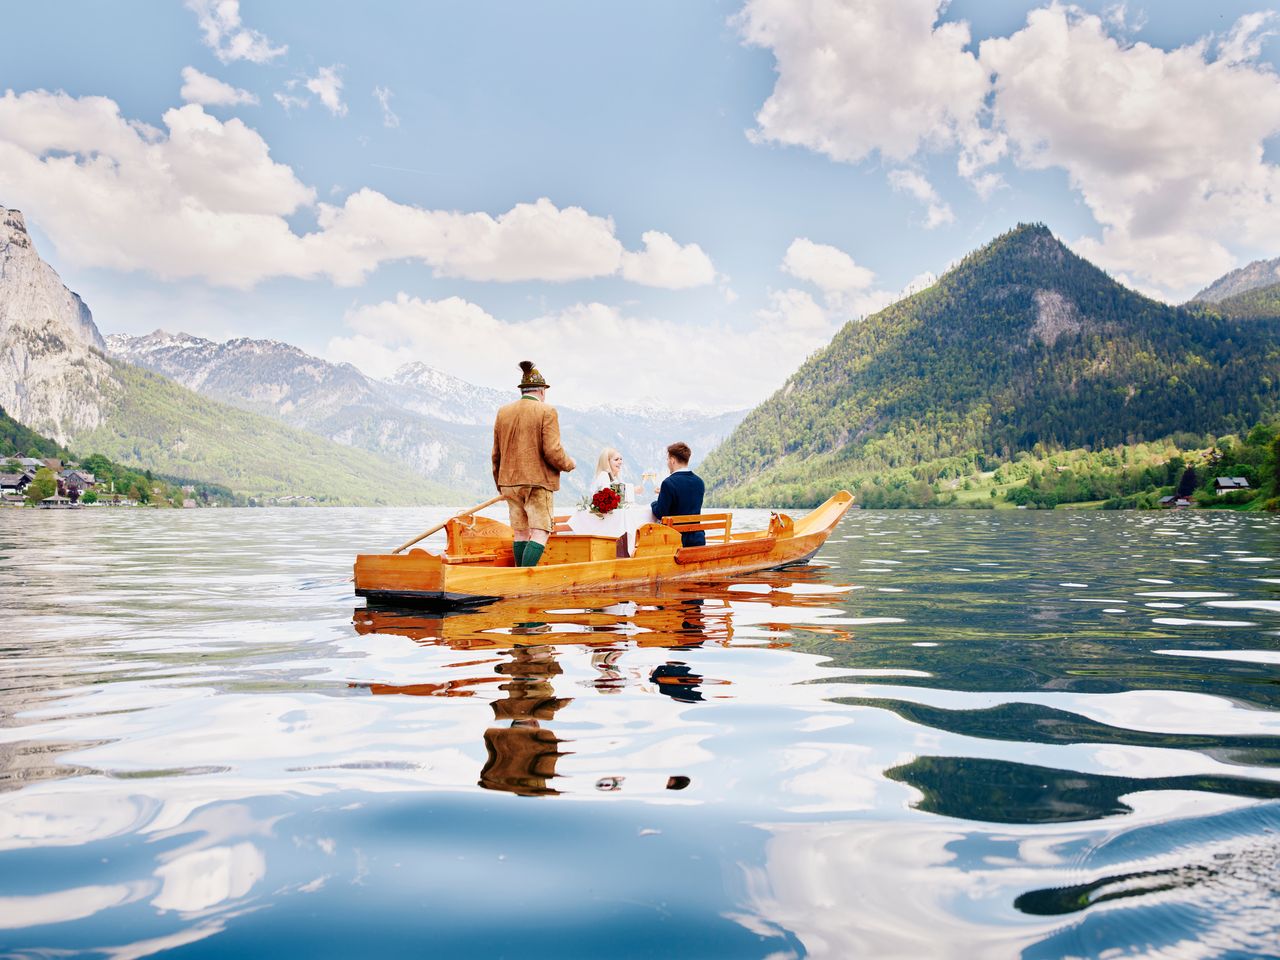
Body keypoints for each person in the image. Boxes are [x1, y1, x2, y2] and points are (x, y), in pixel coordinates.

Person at [492, 360, 576, 566]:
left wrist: (500, 483)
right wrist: (569, 464)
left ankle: (517, 577)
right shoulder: (547, 411)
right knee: (540, 532)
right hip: (537, 483)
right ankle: (523, 579)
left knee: (520, 532)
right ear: (542, 391)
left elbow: (496, 453)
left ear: (523, 390)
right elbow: (552, 451)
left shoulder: (503, 412)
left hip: (508, 482)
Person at [650, 441, 706, 547]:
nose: (667, 463)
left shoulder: (668, 483)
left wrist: (653, 503)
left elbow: (660, 513)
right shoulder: (699, 482)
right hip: (697, 539)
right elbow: (686, 501)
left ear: (672, 460)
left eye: (667, 459)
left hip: (676, 540)